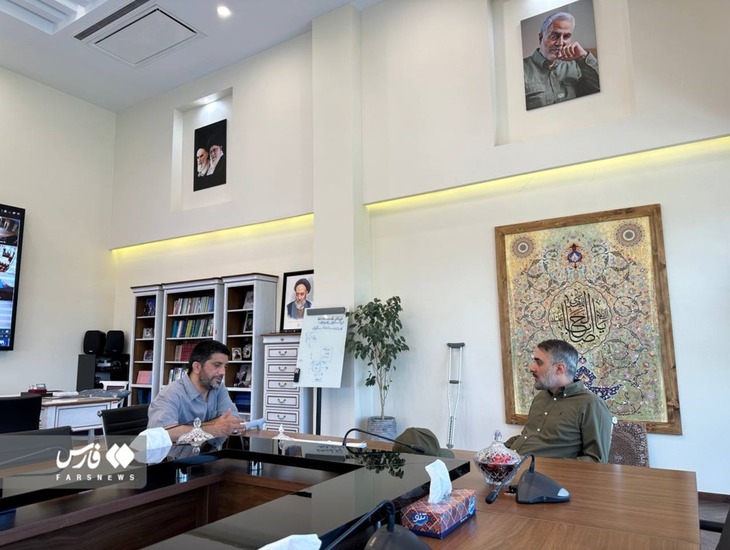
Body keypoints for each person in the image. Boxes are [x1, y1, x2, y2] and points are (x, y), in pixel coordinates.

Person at [505, 339, 612, 463]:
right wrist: (500, 450)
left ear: (560, 368)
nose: (531, 368)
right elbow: (528, 436)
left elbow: (596, 461)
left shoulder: (591, 404)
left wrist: (548, 467)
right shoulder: (541, 398)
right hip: (510, 466)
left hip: (541, 473)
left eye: (539, 363)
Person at [147, 340, 243, 442]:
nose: (223, 372)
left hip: (211, 451)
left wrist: (187, 428)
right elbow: (160, 435)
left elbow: (232, 421)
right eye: (217, 365)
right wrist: (213, 428)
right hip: (178, 453)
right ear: (197, 367)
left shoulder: (218, 388)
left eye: (225, 367)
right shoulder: (170, 394)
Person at [523, 12, 600, 111]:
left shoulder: (577, 66)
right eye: (554, 36)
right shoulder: (520, 70)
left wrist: (583, 57)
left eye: (566, 36)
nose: (560, 43)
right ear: (541, 38)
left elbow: (601, 88)